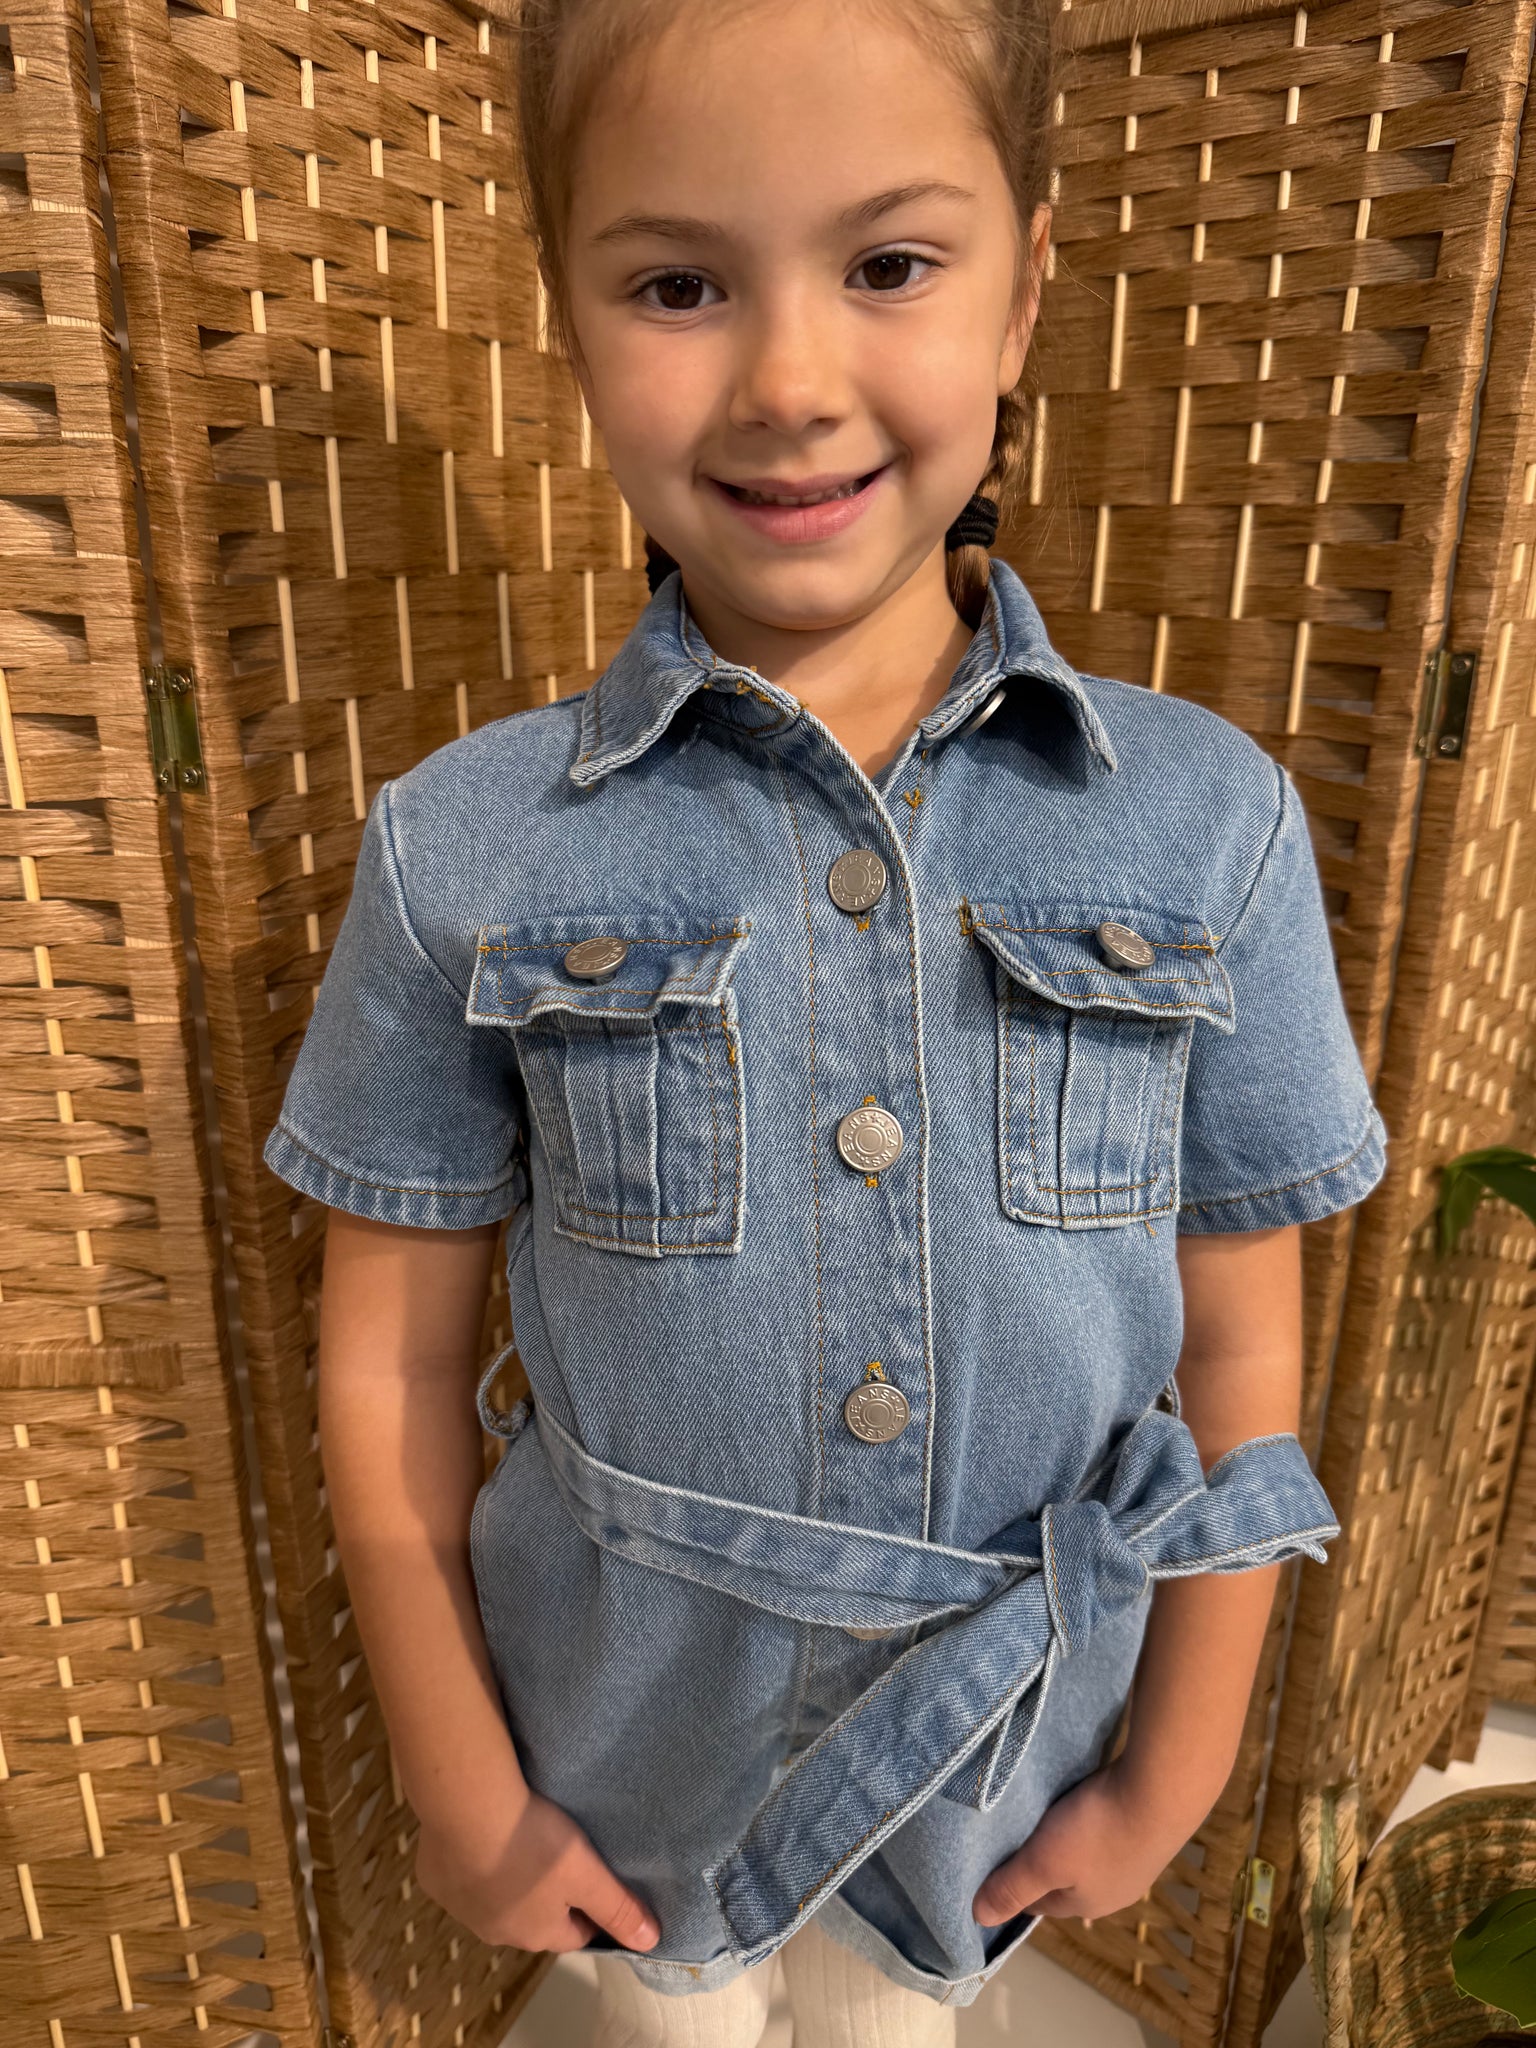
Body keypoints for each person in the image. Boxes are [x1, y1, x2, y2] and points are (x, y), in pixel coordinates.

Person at [262, 0, 1391, 2041]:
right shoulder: (465, 847)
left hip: (994, 1765)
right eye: (679, 285)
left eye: (888, 262)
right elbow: (391, 1370)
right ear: (566, 316)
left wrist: (1180, 1765)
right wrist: (456, 1786)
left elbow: (1238, 1351)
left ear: (1024, 292)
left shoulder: (1205, 824)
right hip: (622, 1766)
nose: (789, 382)